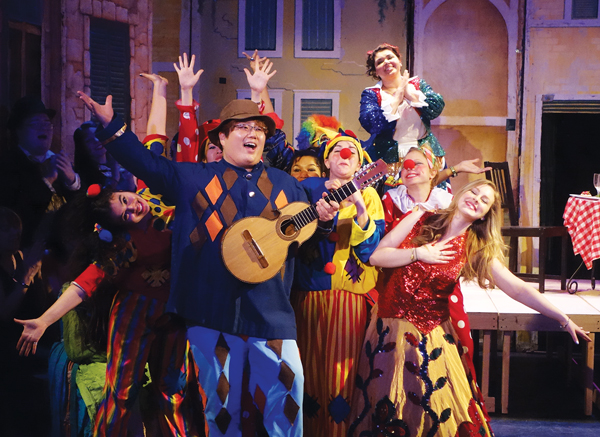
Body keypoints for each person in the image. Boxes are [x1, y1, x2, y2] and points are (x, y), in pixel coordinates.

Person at [76, 61, 338, 436]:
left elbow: (307, 233)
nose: (253, 134)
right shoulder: (192, 178)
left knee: (289, 396)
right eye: (243, 127)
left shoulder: (288, 184)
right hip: (210, 311)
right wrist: (112, 126)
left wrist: (326, 219)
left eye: (258, 129)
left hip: (271, 312)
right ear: (222, 138)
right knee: (220, 410)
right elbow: (145, 162)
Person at [348, 179, 591, 436]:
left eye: (484, 200)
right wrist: (418, 254)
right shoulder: (420, 217)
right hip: (387, 328)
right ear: (462, 192)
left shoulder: (474, 247)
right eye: (474, 192)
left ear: (485, 215)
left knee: (428, 405)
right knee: (385, 403)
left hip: (428, 336)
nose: (476, 199)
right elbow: (377, 256)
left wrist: (562, 318)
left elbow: (517, 288)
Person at [291, 131, 384, 437]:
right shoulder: (306, 188)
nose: (344, 155)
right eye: (338, 151)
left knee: (341, 378)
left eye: (352, 153)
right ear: (327, 160)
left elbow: (371, 253)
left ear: (360, 165)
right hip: (308, 296)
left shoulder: (370, 195)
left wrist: (358, 205)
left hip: (349, 299)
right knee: (307, 374)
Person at [359, 43, 445, 188]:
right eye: (380, 62)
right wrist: (396, 99)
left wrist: (411, 96)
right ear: (375, 71)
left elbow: (436, 108)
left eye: (389, 57)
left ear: (399, 61)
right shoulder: (372, 94)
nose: (386, 62)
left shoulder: (418, 85)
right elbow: (372, 124)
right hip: (391, 159)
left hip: (424, 153)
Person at [0, 96, 81, 247]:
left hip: (64, 252)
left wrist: (72, 181)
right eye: (35, 124)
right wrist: (47, 181)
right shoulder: (8, 163)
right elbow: (15, 214)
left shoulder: (59, 161)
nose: (43, 128)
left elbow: (80, 208)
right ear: (19, 130)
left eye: (47, 124)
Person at [73, 120, 136, 191]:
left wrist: (130, 179)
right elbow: (100, 199)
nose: (96, 141)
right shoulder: (85, 176)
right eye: (89, 140)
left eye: (97, 135)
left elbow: (133, 194)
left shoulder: (119, 166)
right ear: (82, 147)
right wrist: (115, 177)